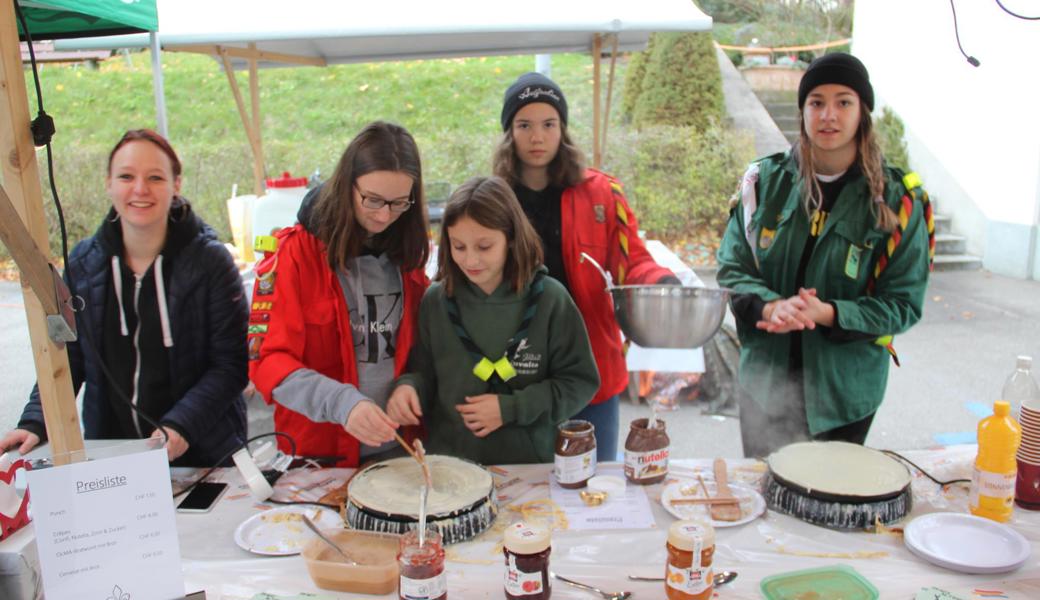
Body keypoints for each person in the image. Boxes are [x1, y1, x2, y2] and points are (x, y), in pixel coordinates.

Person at [716, 53, 934, 458]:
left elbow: (902, 304)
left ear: (862, 111)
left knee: (827, 507)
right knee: (765, 501)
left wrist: (829, 313)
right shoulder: (763, 183)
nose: (828, 115)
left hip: (843, 399)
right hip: (765, 389)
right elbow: (732, 269)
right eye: (816, 102)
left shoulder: (899, 201)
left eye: (843, 101)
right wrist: (770, 308)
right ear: (803, 110)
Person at [0, 129, 248, 466]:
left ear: (176, 185)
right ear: (109, 184)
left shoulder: (211, 263)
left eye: (156, 177)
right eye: (127, 176)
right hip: (112, 459)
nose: (140, 189)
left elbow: (230, 366)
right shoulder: (83, 264)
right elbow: (68, 358)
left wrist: (180, 426)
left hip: (203, 456)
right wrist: (34, 421)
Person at [492, 72, 680, 461]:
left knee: (595, 488)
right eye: (524, 125)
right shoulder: (492, 200)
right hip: (517, 373)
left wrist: (662, 281)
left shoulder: (602, 194)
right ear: (510, 132)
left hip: (591, 367)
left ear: (562, 128)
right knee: (522, 488)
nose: (537, 137)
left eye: (549, 124)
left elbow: (633, 263)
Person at [248, 121, 429, 467]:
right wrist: (342, 403)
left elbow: (424, 349)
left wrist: (412, 383)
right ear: (346, 185)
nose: (384, 215)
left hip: (398, 451)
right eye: (372, 200)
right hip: (320, 457)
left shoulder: (407, 255)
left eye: (399, 203)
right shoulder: (291, 255)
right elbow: (265, 361)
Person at [386, 176, 599, 464]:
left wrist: (512, 408)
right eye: (459, 247)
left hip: (530, 467)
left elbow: (579, 382)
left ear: (511, 238)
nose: (471, 260)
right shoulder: (436, 302)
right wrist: (407, 388)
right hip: (451, 465)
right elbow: (423, 372)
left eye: (484, 247)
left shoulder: (551, 299)